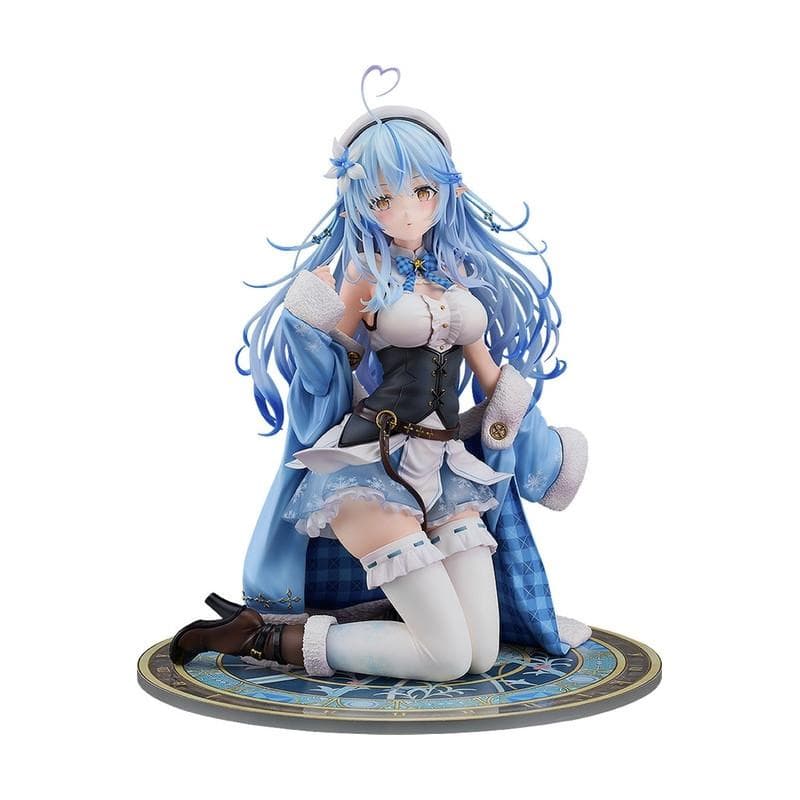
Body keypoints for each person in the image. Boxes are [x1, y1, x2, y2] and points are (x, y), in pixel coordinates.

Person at [170, 66, 590, 681]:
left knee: (479, 657)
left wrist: (529, 436)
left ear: (447, 188)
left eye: (423, 190)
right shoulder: (363, 275)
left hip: (446, 470)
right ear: (359, 202)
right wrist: (311, 318)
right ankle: (262, 638)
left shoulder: (453, 274)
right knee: (447, 660)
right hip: (376, 466)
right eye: (383, 198)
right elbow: (331, 368)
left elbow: (490, 376)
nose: (408, 210)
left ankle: (388, 629)